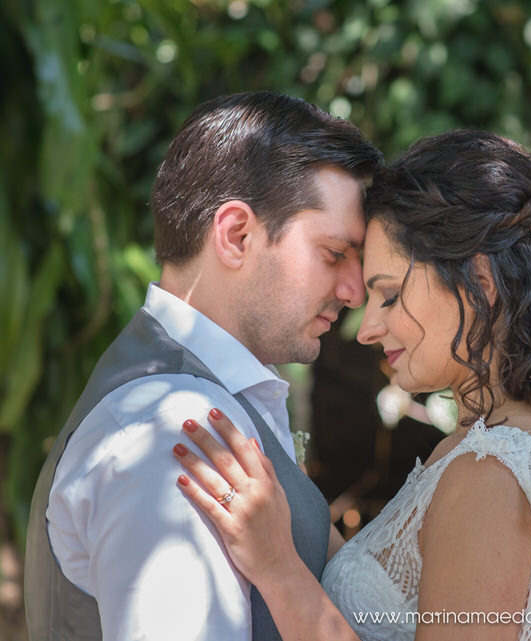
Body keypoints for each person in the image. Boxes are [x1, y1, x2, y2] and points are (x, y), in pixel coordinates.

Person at [174, 129, 531, 640]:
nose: (367, 328)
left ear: (479, 282)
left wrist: (279, 570)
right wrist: (291, 498)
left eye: (387, 295)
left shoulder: (493, 473)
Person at [23, 91, 383, 640]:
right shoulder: (171, 430)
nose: (355, 291)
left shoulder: (203, 402)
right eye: (334, 254)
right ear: (236, 235)